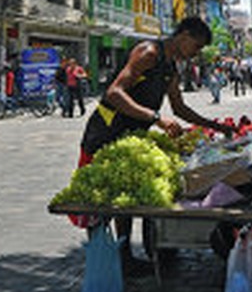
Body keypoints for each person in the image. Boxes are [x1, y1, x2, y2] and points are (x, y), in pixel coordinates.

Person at [77, 17, 234, 277]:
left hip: (132, 134)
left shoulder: (171, 67)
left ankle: (123, 257)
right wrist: (155, 118)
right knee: (102, 199)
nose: (196, 54)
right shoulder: (148, 52)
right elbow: (114, 93)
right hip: (105, 131)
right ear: (183, 36)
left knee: (125, 195)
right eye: (196, 46)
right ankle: (107, 259)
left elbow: (179, 107)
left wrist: (215, 126)